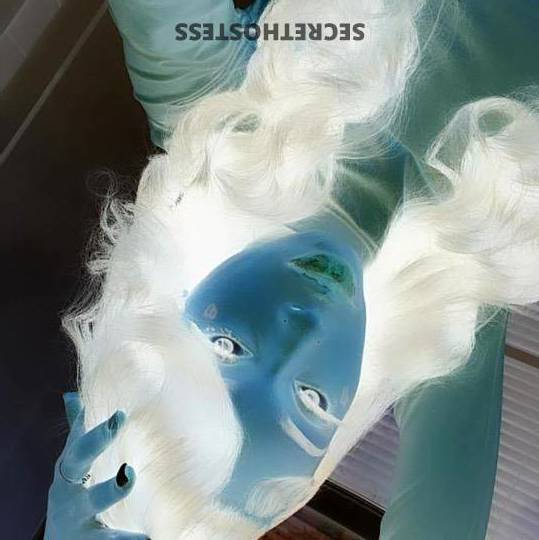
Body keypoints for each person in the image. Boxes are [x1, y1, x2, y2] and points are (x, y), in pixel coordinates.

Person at [42, 1, 539, 538]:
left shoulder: (212, 121)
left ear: (171, 302)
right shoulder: (437, 307)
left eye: (228, 346)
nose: (306, 329)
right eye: (313, 403)